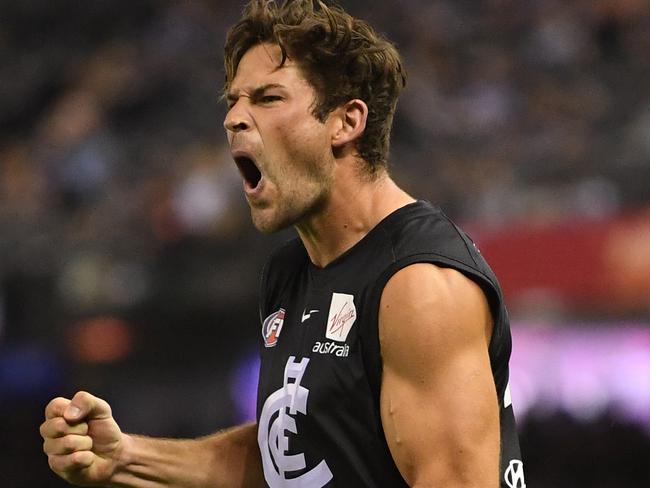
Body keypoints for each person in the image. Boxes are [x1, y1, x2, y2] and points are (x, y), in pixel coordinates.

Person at [40, 1, 525, 487]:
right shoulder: (291, 270)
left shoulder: (418, 285)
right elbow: (293, 454)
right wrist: (125, 457)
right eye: (233, 100)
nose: (234, 119)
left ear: (346, 122)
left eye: (268, 98)